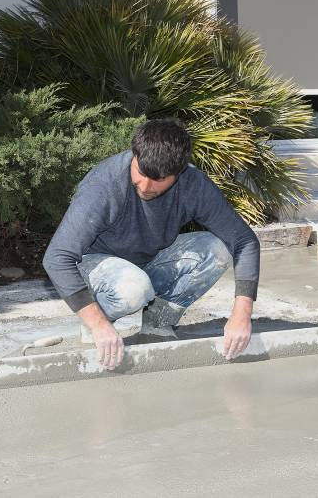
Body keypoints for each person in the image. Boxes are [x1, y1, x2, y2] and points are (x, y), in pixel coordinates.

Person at [42, 118, 260, 370]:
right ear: (135, 154)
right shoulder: (104, 185)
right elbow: (57, 258)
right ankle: (95, 322)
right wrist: (98, 324)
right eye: (142, 173)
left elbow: (244, 241)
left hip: (148, 261)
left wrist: (242, 315)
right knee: (134, 287)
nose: (146, 187)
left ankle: (158, 322)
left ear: (179, 173)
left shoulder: (193, 184)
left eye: (159, 179)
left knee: (218, 250)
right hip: (97, 267)